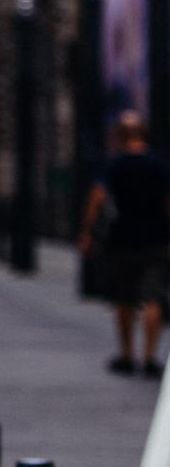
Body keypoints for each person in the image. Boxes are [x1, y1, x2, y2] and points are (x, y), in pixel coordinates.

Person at [81, 112, 170, 377]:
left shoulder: (116, 164)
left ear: (120, 136)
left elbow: (97, 196)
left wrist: (87, 231)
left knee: (124, 298)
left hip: (124, 239)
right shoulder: (158, 164)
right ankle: (151, 357)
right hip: (156, 238)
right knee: (153, 298)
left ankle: (127, 354)